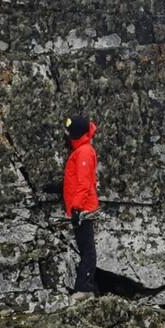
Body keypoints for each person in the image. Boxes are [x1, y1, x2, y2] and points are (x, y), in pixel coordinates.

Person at [63, 115, 99, 301]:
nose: (66, 136)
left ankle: (85, 288)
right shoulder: (81, 151)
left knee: (87, 249)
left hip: (84, 210)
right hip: (81, 208)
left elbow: (84, 184)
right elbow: (76, 180)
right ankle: (86, 287)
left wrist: (76, 208)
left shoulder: (84, 152)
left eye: (68, 132)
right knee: (85, 247)